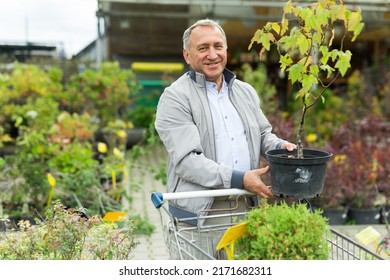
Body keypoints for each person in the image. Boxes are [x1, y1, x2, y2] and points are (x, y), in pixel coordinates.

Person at [154, 19, 295, 259]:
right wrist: (240, 178)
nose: (212, 54)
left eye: (218, 46)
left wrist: (281, 147)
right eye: (203, 48)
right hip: (199, 215)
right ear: (187, 56)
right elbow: (188, 161)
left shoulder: (244, 91)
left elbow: (262, 134)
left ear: (226, 51)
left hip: (245, 208)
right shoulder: (175, 98)